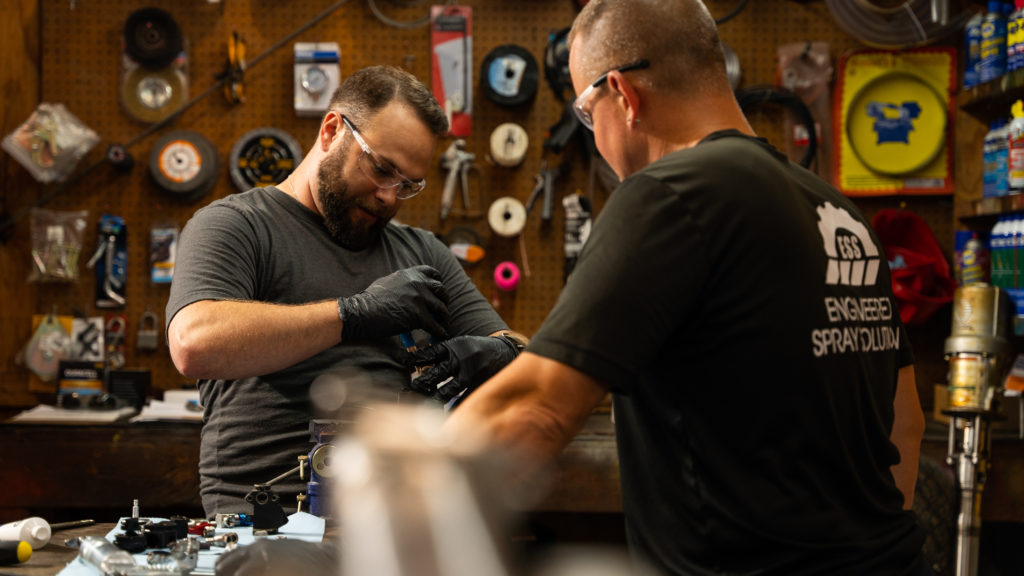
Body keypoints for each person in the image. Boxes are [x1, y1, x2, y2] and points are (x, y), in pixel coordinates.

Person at [445, 1, 928, 575]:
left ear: (622, 95)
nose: (592, 135)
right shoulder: (836, 211)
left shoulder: (670, 194)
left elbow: (532, 412)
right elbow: (905, 421)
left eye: (583, 110)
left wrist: (387, 509)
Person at [166, 65, 526, 517]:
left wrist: (499, 355)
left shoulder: (422, 252)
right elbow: (194, 344)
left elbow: (520, 352)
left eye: (408, 185)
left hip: (397, 519)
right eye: (381, 169)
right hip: (264, 523)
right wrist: (353, 313)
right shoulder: (237, 226)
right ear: (332, 130)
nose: (389, 197)